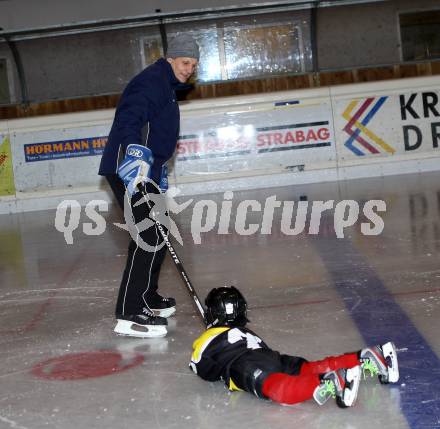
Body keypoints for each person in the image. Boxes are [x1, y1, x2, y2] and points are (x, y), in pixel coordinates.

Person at [98, 34, 200, 338]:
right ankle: (129, 313)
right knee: (148, 234)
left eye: (193, 65)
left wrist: (156, 168)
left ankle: (147, 295)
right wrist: (134, 157)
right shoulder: (152, 82)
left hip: (147, 171)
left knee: (159, 231)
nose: (189, 69)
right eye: (185, 63)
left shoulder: (167, 86)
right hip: (129, 169)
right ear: (170, 59)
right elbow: (128, 119)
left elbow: (156, 131)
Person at [190, 286, 400, 408]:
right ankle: (371, 356)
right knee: (310, 368)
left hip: (243, 364)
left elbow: (202, 367)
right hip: (270, 356)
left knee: (275, 388)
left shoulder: (208, 338)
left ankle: (331, 382)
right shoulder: (248, 334)